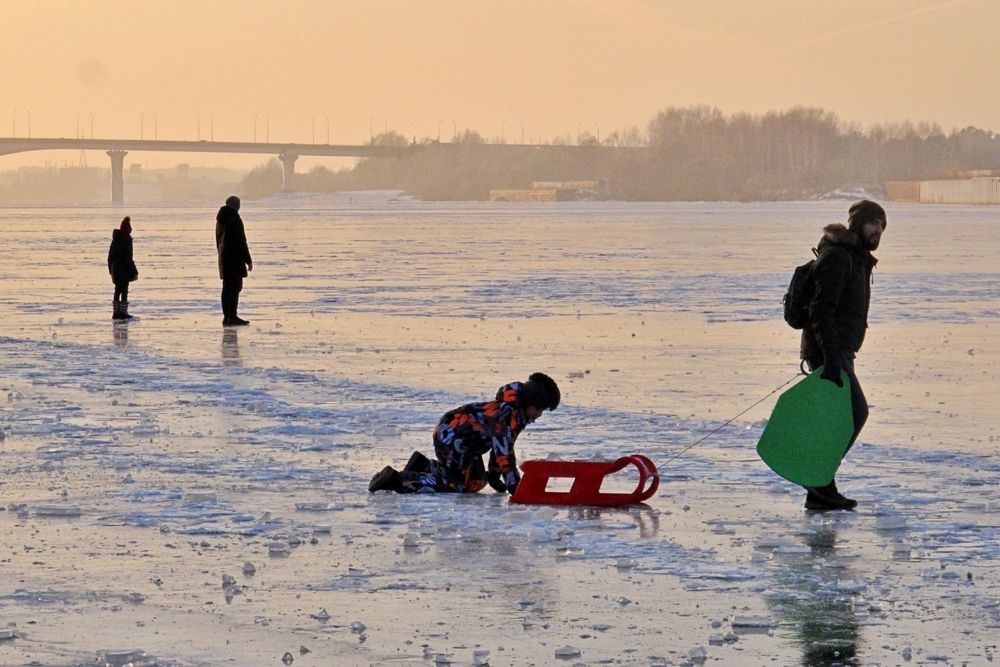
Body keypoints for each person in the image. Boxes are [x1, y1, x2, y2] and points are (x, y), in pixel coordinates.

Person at [800, 199, 886, 511]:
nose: (878, 230)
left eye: (881, 225)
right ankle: (818, 479)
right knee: (855, 412)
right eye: (873, 223)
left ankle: (819, 489)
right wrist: (831, 356)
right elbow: (821, 309)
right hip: (828, 351)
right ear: (858, 224)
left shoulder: (858, 258)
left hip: (839, 351)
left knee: (839, 418)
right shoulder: (839, 257)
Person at [369, 372, 561, 494]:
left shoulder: (517, 416)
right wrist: (517, 490)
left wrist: (494, 474)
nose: (539, 415)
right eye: (539, 410)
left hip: (467, 447)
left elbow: (501, 446)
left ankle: (423, 465)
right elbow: (505, 455)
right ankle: (395, 479)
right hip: (452, 438)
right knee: (453, 486)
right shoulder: (505, 415)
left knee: (475, 483)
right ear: (530, 404)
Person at [215, 195, 253, 326]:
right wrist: (248, 260)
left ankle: (228, 316)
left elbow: (218, 241)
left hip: (224, 257)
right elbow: (241, 241)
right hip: (234, 258)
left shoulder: (221, 220)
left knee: (227, 288)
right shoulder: (234, 219)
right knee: (235, 287)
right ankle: (232, 316)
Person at [107, 216, 139, 320]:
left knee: (117, 290)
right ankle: (123, 312)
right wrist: (133, 270)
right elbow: (129, 258)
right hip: (124, 269)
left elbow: (110, 257)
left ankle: (116, 313)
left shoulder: (115, 239)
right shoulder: (127, 240)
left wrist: (111, 271)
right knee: (124, 290)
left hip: (116, 269)